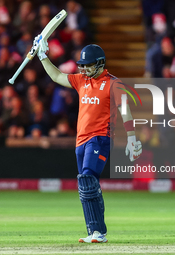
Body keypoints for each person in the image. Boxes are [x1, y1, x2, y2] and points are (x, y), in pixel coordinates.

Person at [32, 36, 142, 243]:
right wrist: (42, 56)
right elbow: (57, 76)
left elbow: (125, 111)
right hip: (80, 141)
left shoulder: (114, 84)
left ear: (100, 64)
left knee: (87, 179)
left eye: (88, 65)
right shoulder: (82, 80)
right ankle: (95, 231)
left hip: (100, 139)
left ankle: (98, 233)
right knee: (87, 183)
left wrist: (131, 137)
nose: (84, 69)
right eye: (82, 65)